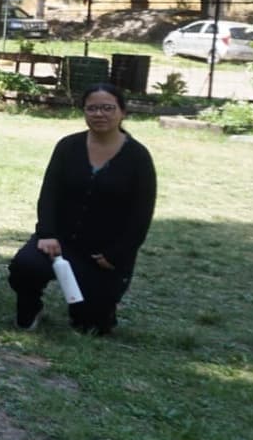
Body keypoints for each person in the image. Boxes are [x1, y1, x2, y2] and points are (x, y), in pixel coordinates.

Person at [9, 84, 156, 335]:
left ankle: (94, 311)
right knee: (25, 266)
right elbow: (49, 194)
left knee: (91, 326)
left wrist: (117, 254)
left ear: (123, 112)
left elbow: (141, 215)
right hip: (59, 242)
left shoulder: (138, 157)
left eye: (108, 108)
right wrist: (46, 233)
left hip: (103, 253)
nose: (99, 114)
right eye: (92, 108)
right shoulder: (68, 146)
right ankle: (31, 307)